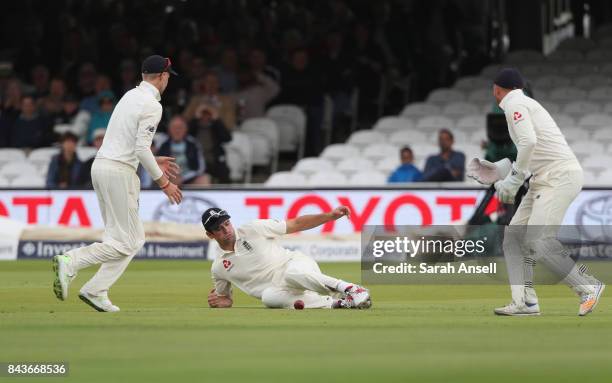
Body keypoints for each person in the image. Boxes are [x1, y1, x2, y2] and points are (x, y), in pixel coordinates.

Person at [52, 55, 183, 312]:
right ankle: (72, 261)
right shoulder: (152, 106)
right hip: (119, 172)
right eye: (168, 76)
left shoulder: (129, 96)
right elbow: (141, 149)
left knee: (123, 239)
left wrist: (153, 159)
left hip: (102, 166)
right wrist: (164, 182)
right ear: (162, 76)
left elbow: (126, 142)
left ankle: (96, 290)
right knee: (129, 241)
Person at [485, 68, 603, 316]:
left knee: (538, 241)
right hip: (545, 177)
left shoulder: (514, 103)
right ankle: (525, 302)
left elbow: (529, 142)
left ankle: (588, 286)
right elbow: (532, 151)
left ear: (497, 89)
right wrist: (509, 175)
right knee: (514, 239)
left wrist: (515, 179)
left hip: (559, 176)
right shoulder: (523, 102)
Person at [204, 207, 372, 310]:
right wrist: (220, 302)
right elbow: (224, 298)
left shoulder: (253, 229)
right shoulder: (219, 267)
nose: (226, 230)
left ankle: (353, 290)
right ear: (210, 235)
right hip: (282, 290)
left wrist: (330, 216)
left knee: (292, 274)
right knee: (268, 297)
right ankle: (338, 304)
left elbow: (296, 224)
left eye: (227, 223)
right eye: (219, 229)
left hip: (294, 264)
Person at [157, 116, 209, 186]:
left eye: (180, 127)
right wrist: (172, 176)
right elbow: (157, 166)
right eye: (174, 127)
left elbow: (201, 168)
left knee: (204, 178)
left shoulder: (193, 144)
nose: (177, 130)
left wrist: (184, 178)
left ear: (186, 129)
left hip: (189, 178)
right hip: (169, 178)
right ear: (169, 130)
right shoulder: (163, 145)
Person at [189, 104, 231, 183]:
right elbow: (186, 134)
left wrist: (217, 119)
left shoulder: (215, 126)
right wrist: (195, 118)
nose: (205, 117)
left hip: (213, 160)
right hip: (196, 160)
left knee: (224, 172)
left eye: (208, 114)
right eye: (203, 114)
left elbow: (227, 138)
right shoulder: (195, 127)